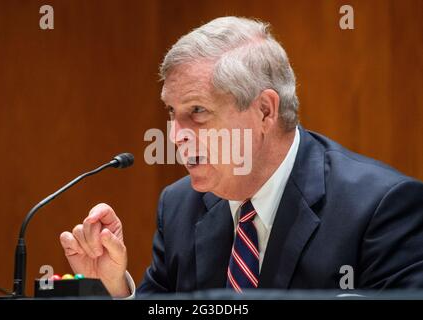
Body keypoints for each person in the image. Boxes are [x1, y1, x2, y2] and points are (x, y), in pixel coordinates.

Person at [59, 16, 423, 297]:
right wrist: (116, 287)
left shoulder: (379, 207)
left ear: (265, 111)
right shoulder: (179, 206)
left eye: (197, 111)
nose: (175, 136)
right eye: (171, 113)